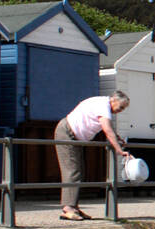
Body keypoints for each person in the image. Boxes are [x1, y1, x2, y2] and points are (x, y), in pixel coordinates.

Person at [55, 91, 130, 220]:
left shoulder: (103, 104)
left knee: (78, 171)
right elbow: (107, 129)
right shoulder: (103, 106)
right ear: (114, 100)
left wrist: (117, 138)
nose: (120, 111)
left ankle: (74, 207)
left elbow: (106, 128)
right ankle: (68, 208)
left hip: (74, 137)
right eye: (121, 107)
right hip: (67, 133)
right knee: (72, 171)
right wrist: (119, 150)